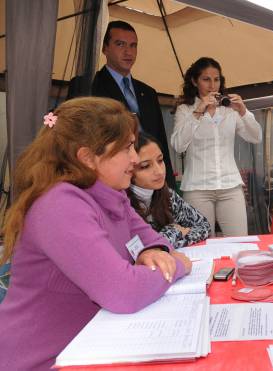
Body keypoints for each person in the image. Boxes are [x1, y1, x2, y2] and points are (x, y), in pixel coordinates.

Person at [0, 97, 192, 370]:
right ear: (87, 158)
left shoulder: (112, 195)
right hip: (42, 360)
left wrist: (155, 253)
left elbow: (156, 242)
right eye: (127, 148)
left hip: (88, 347)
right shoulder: (60, 206)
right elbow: (124, 291)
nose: (135, 159)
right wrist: (176, 265)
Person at [170, 57, 262, 237]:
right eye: (206, 79)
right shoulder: (185, 109)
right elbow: (178, 145)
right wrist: (199, 111)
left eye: (217, 79)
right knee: (202, 243)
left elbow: (256, 136)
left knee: (239, 241)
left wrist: (243, 111)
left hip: (230, 185)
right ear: (194, 81)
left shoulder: (230, 109)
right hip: (197, 188)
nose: (212, 85)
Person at [91, 20, 175, 188]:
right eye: (120, 44)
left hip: (152, 180)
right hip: (113, 180)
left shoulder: (148, 92)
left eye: (133, 45)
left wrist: (168, 185)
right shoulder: (90, 86)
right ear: (105, 48)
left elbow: (161, 141)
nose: (128, 51)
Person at [128, 132, 211, 249]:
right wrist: (174, 231)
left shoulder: (167, 194)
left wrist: (168, 244)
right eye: (145, 166)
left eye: (160, 160)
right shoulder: (123, 204)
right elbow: (142, 251)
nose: (159, 171)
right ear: (128, 169)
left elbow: (204, 226)